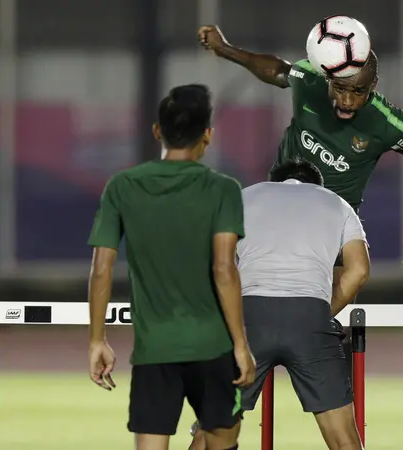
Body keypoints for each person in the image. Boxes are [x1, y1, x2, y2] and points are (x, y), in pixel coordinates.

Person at [86, 83, 256, 450]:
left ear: (157, 131)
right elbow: (224, 269)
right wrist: (241, 345)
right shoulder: (223, 190)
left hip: (155, 350)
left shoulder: (122, 186)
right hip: (213, 347)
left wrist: (97, 339)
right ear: (208, 135)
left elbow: (101, 269)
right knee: (222, 440)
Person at [196, 23, 403, 275]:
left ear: (374, 85)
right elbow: (278, 71)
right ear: (328, 79)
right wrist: (224, 49)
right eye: (340, 88)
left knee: (332, 295)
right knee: (261, 288)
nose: (347, 101)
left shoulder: (387, 123)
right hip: (279, 211)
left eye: (359, 91)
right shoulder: (310, 81)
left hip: (331, 228)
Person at [188, 158, 369, 450]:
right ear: (316, 186)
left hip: (249, 318)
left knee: (212, 433)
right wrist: (324, 309)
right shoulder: (337, 203)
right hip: (310, 318)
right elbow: (359, 270)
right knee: (344, 439)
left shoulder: (242, 197)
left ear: (273, 180)